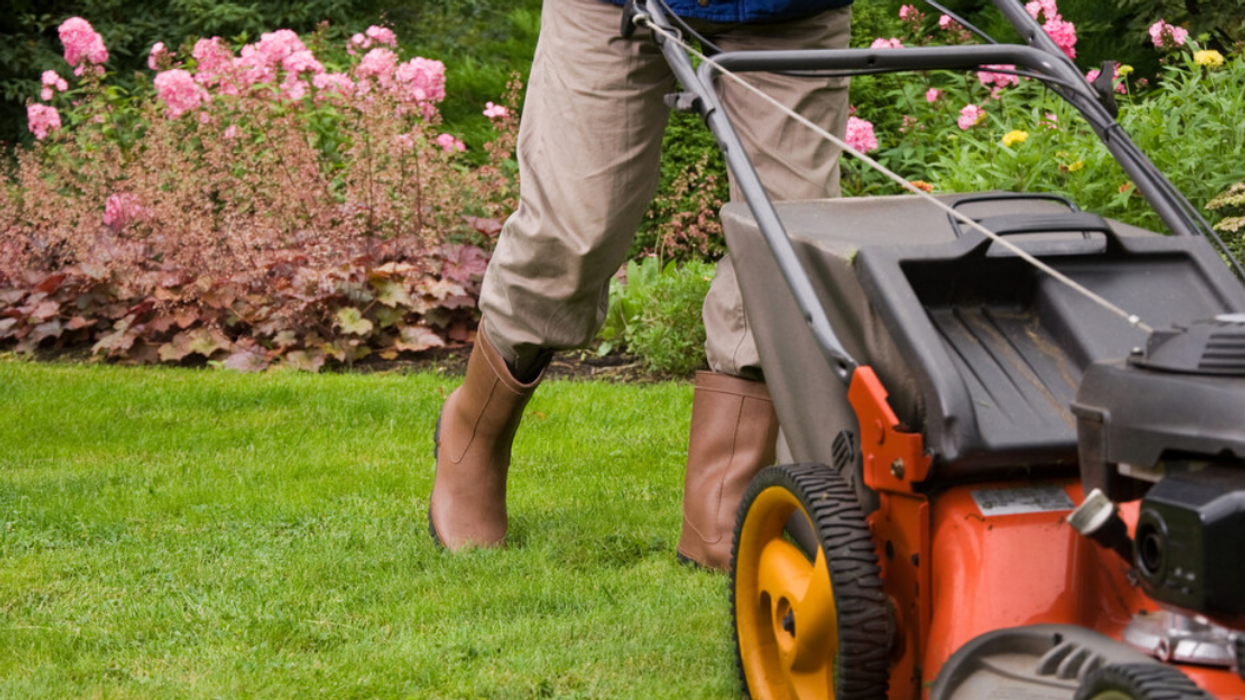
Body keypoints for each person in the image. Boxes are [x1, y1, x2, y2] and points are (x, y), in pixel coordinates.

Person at [429, 0, 853, 571]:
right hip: (609, 7)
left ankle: (721, 502)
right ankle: (474, 428)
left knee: (783, 241)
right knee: (573, 231)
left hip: (787, 11)